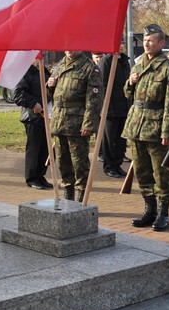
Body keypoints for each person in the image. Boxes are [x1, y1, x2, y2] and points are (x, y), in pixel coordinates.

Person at [122, 24, 169, 231]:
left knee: (160, 173)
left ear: (161, 43)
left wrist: (167, 131)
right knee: (142, 171)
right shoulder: (137, 65)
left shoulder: (168, 68)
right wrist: (130, 82)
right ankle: (149, 210)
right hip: (137, 124)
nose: (147, 43)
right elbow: (128, 94)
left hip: (156, 127)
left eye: (151, 40)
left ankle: (163, 214)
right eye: (145, 40)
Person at [46, 51, 103, 202]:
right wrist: (49, 86)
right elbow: (51, 94)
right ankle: (68, 191)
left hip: (77, 123)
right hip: (59, 120)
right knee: (61, 159)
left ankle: (81, 194)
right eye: (67, 45)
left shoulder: (89, 68)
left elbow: (94, 101)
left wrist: (88, 124)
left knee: (79, 161)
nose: (69, 48)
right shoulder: (60, 65)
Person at [13, 62, 53, 190]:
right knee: (34, 149)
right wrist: (33, 103)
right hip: (32, 117)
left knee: (45, 148)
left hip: (46, 116)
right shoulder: (25, 72)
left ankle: (41, 175)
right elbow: (17, 95)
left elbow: (47, 92)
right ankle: (31, 178)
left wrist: (52, 85)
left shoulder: (44, 71)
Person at [99, 40, 131, 178]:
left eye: (122, 43)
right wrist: (107, 107)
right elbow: (103, 85)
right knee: (109, 139)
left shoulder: (124, 61)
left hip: (124, 107)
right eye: (119, 43)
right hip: (110, 108)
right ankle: (109, 166)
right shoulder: (106, 61)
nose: (121, 45)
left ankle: (117, 164)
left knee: (120, 140)